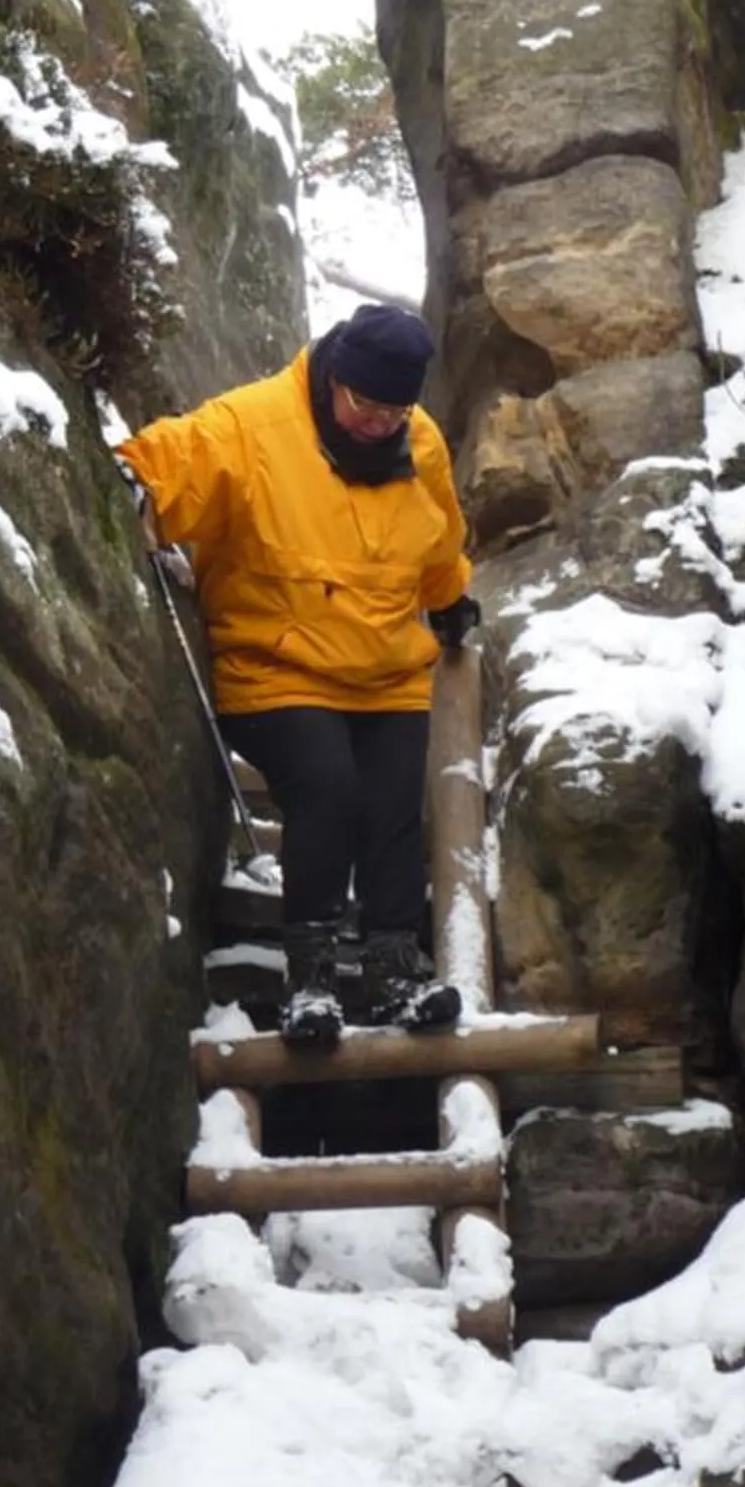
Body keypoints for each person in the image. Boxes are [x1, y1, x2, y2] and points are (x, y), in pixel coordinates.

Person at [116, 303, 479, 1045]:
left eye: (396, 410)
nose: (382, 423)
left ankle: (393, 971)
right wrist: (134, 477)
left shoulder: (422, 443)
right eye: (366, 406)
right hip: (274, 661)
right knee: (327, 788)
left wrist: (449, 602)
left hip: (384, 667)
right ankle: (308, 979)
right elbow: (168, 460)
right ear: (334, 378)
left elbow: (437, 541)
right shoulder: (255, 425)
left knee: (390, 810)